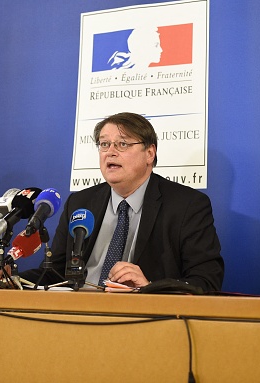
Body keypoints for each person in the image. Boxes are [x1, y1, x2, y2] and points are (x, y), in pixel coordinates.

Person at [20, 112, 223, 292]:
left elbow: (206, 280)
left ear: (150, 154)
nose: (110, 152)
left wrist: (149, 287)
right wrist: (12, 279)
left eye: (123, 144)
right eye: (104, 144)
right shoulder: (80, 202)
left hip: (142, 321)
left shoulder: (187, 205)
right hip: (78, 312)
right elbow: (54, 273)